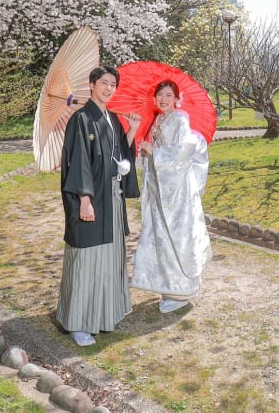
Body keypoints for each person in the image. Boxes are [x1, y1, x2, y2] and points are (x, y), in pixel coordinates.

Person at [56, 65, 141, 347]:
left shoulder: (112, 119)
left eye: (112, 84)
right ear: (91, 85)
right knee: (86, 260)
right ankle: (79, 323)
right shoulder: (81, 119)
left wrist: (134, 129)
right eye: (104, 83)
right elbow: (77, 161)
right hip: (92, 202)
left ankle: (103, 315)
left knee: (107, 259)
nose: (108, 88)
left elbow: (120, 154)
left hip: (112, 201)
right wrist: (84, 200)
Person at [131, 79, 212, 313]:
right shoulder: (158, 119)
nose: (164, 99)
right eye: (160, 95)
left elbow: (183, 151)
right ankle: (169, 286)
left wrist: (154, 150)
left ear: (176, 98)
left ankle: (182, 291)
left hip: (177, 194)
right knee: (162, 238)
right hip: (161, 189)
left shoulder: (180, 118)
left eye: (169, 95)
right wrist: (147, 152)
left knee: (178, 237)